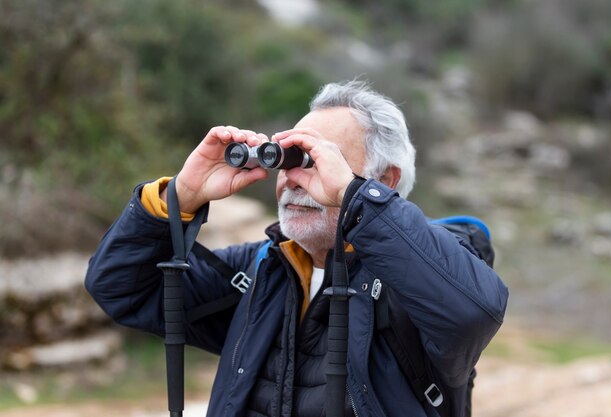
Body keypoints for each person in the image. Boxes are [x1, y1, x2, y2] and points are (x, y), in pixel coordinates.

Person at [85, 80, 508, 417]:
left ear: (386, 181)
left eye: (318, 161)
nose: (292, 178)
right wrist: (180, 196)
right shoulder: (264, 268)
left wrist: (354, 198)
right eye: (289, 160)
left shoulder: (429, 271)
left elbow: (470, 314)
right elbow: (123, 289)